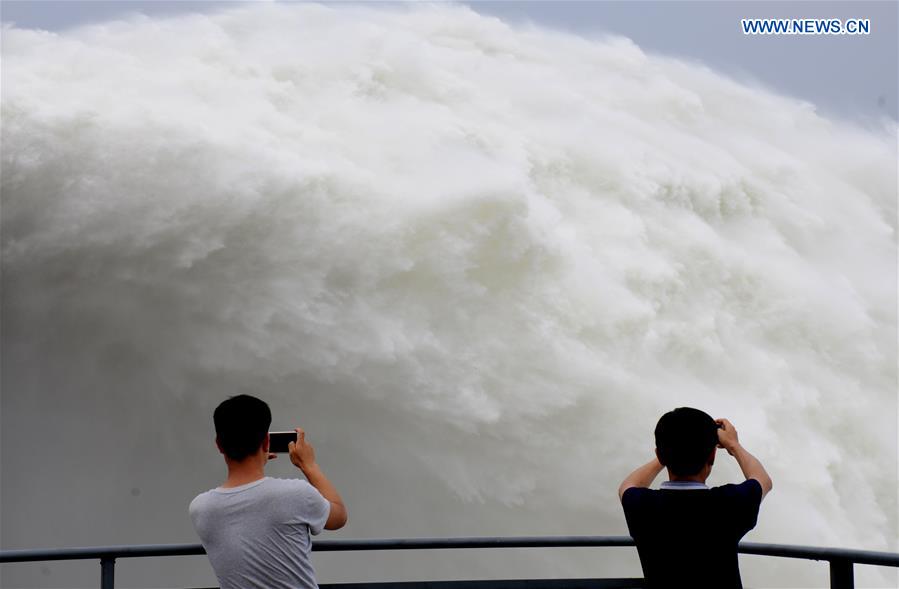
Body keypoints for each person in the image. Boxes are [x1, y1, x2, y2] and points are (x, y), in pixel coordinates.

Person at [189, 394, 347, 589]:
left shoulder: (200, 508)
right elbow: (339, 516)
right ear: (266, 442)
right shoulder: (295, 493)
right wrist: (309, 465)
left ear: (219, 445)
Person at [618, 407, 772, 589]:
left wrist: (668, 452)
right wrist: (733, 445)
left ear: (659, 454)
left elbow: (627, 485)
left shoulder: (642, 506)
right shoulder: (729, 504)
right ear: (712, 456)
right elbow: (763, 479)